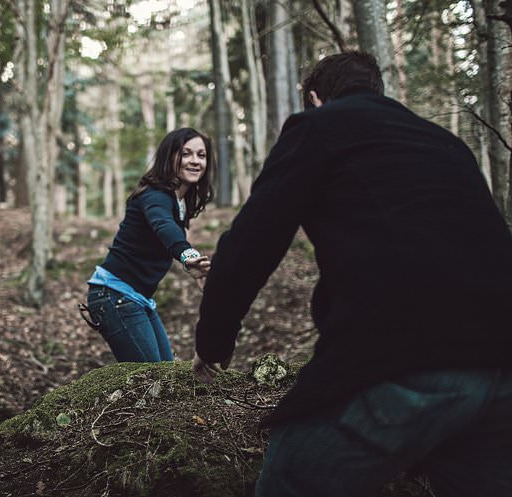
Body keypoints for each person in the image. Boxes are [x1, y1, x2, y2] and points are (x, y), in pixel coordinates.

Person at [193, 52, 512, 497]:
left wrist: (212, 346)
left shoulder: (319, 126)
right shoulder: (444, 141)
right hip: (502, 361)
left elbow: (250, 243)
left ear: (314, 98)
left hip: (407, 353)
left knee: (289, 483)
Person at [82, 127, 215, 362]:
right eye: (186, 154)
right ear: (169, 156)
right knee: (154, 379)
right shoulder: (155, 195)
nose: (195, 161)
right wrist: (188, 256)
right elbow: (163, 226)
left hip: (136, 297)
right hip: (115, 295)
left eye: (201, 155)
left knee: (166, 372)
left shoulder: (178, 201)